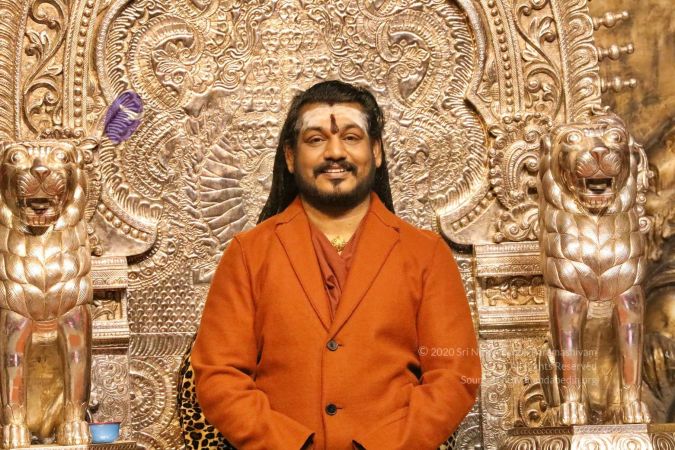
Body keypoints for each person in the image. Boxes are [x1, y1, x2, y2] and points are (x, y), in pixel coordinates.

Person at [191, 80, 481, 450]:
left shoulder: (426, 253)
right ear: (290, 157)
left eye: (351, 137)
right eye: (316, 139)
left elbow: (455, 375)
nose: (334, 152)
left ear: (376, 151)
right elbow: (219, 376)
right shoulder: (248, 254)